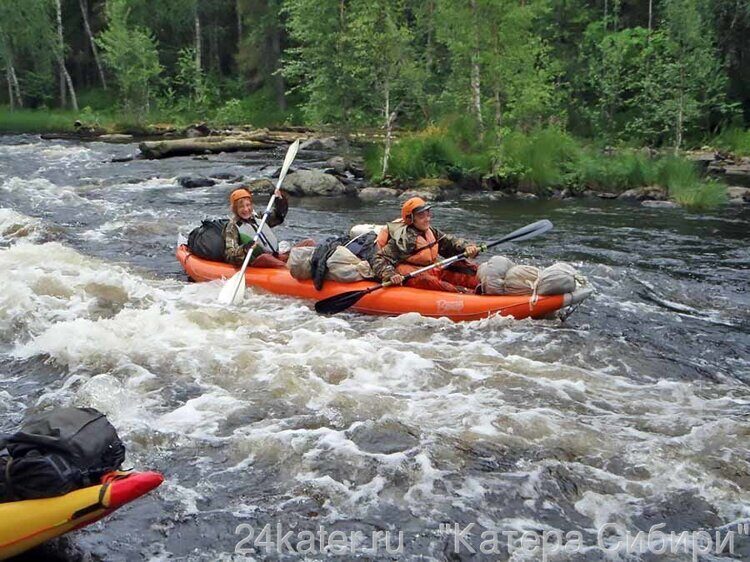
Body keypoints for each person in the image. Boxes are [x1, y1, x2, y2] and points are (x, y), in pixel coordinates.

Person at [371, 197, 480, 293]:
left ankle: (480, 285)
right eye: (421, 216)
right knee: (430, 281)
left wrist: (467, 247)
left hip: (431, 269)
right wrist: (390, 274)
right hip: (413, 275)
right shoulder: (404, 239)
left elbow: (450, 243)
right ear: (410, 219)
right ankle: (464, 293)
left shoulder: (431, 231)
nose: (427, 219)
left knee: (467, 268)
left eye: (428, 214)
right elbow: (379, 258)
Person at [223, 187, 289, 268]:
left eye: (248, 205)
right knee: (265, 257)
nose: (246, 209)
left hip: (274, 255)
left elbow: (279, 217)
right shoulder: (232, 227)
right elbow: (230, 255)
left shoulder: (259, 218)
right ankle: (288, 270)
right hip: (255, 261)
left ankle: (305, 267)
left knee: (306, 243)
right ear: (235, 209)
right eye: (241, 207)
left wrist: (279, 200)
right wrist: (245, 248)